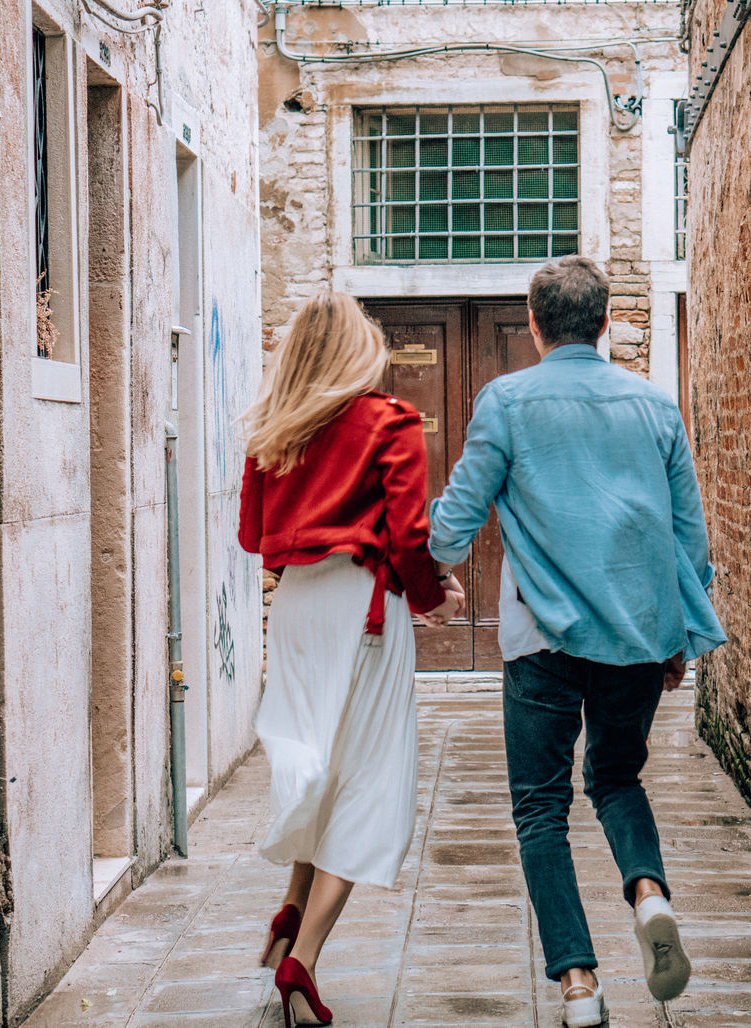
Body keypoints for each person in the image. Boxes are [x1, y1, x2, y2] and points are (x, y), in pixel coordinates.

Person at [428, 256, 727, 1027]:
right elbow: (689, 542)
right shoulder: (656, 407)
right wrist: (678, 634)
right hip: (636, 636)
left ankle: (578, 985)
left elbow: (455, 525)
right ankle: (649, 895)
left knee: (539, 809)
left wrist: (421, 558)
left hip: (541, 644)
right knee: (618, 780)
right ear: (604, 325)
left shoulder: (507, 402)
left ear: (533, 326)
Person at [237, 291, 465, 1028]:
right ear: (357, 352)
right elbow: (408, 533)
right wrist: (437, 596)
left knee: (322, 765)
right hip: (363, 608)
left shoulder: (274, 432)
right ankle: (303, 957)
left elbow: (251, 534)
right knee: (369, 778)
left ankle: (291, 913)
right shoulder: (389, 422)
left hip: (298, 608)